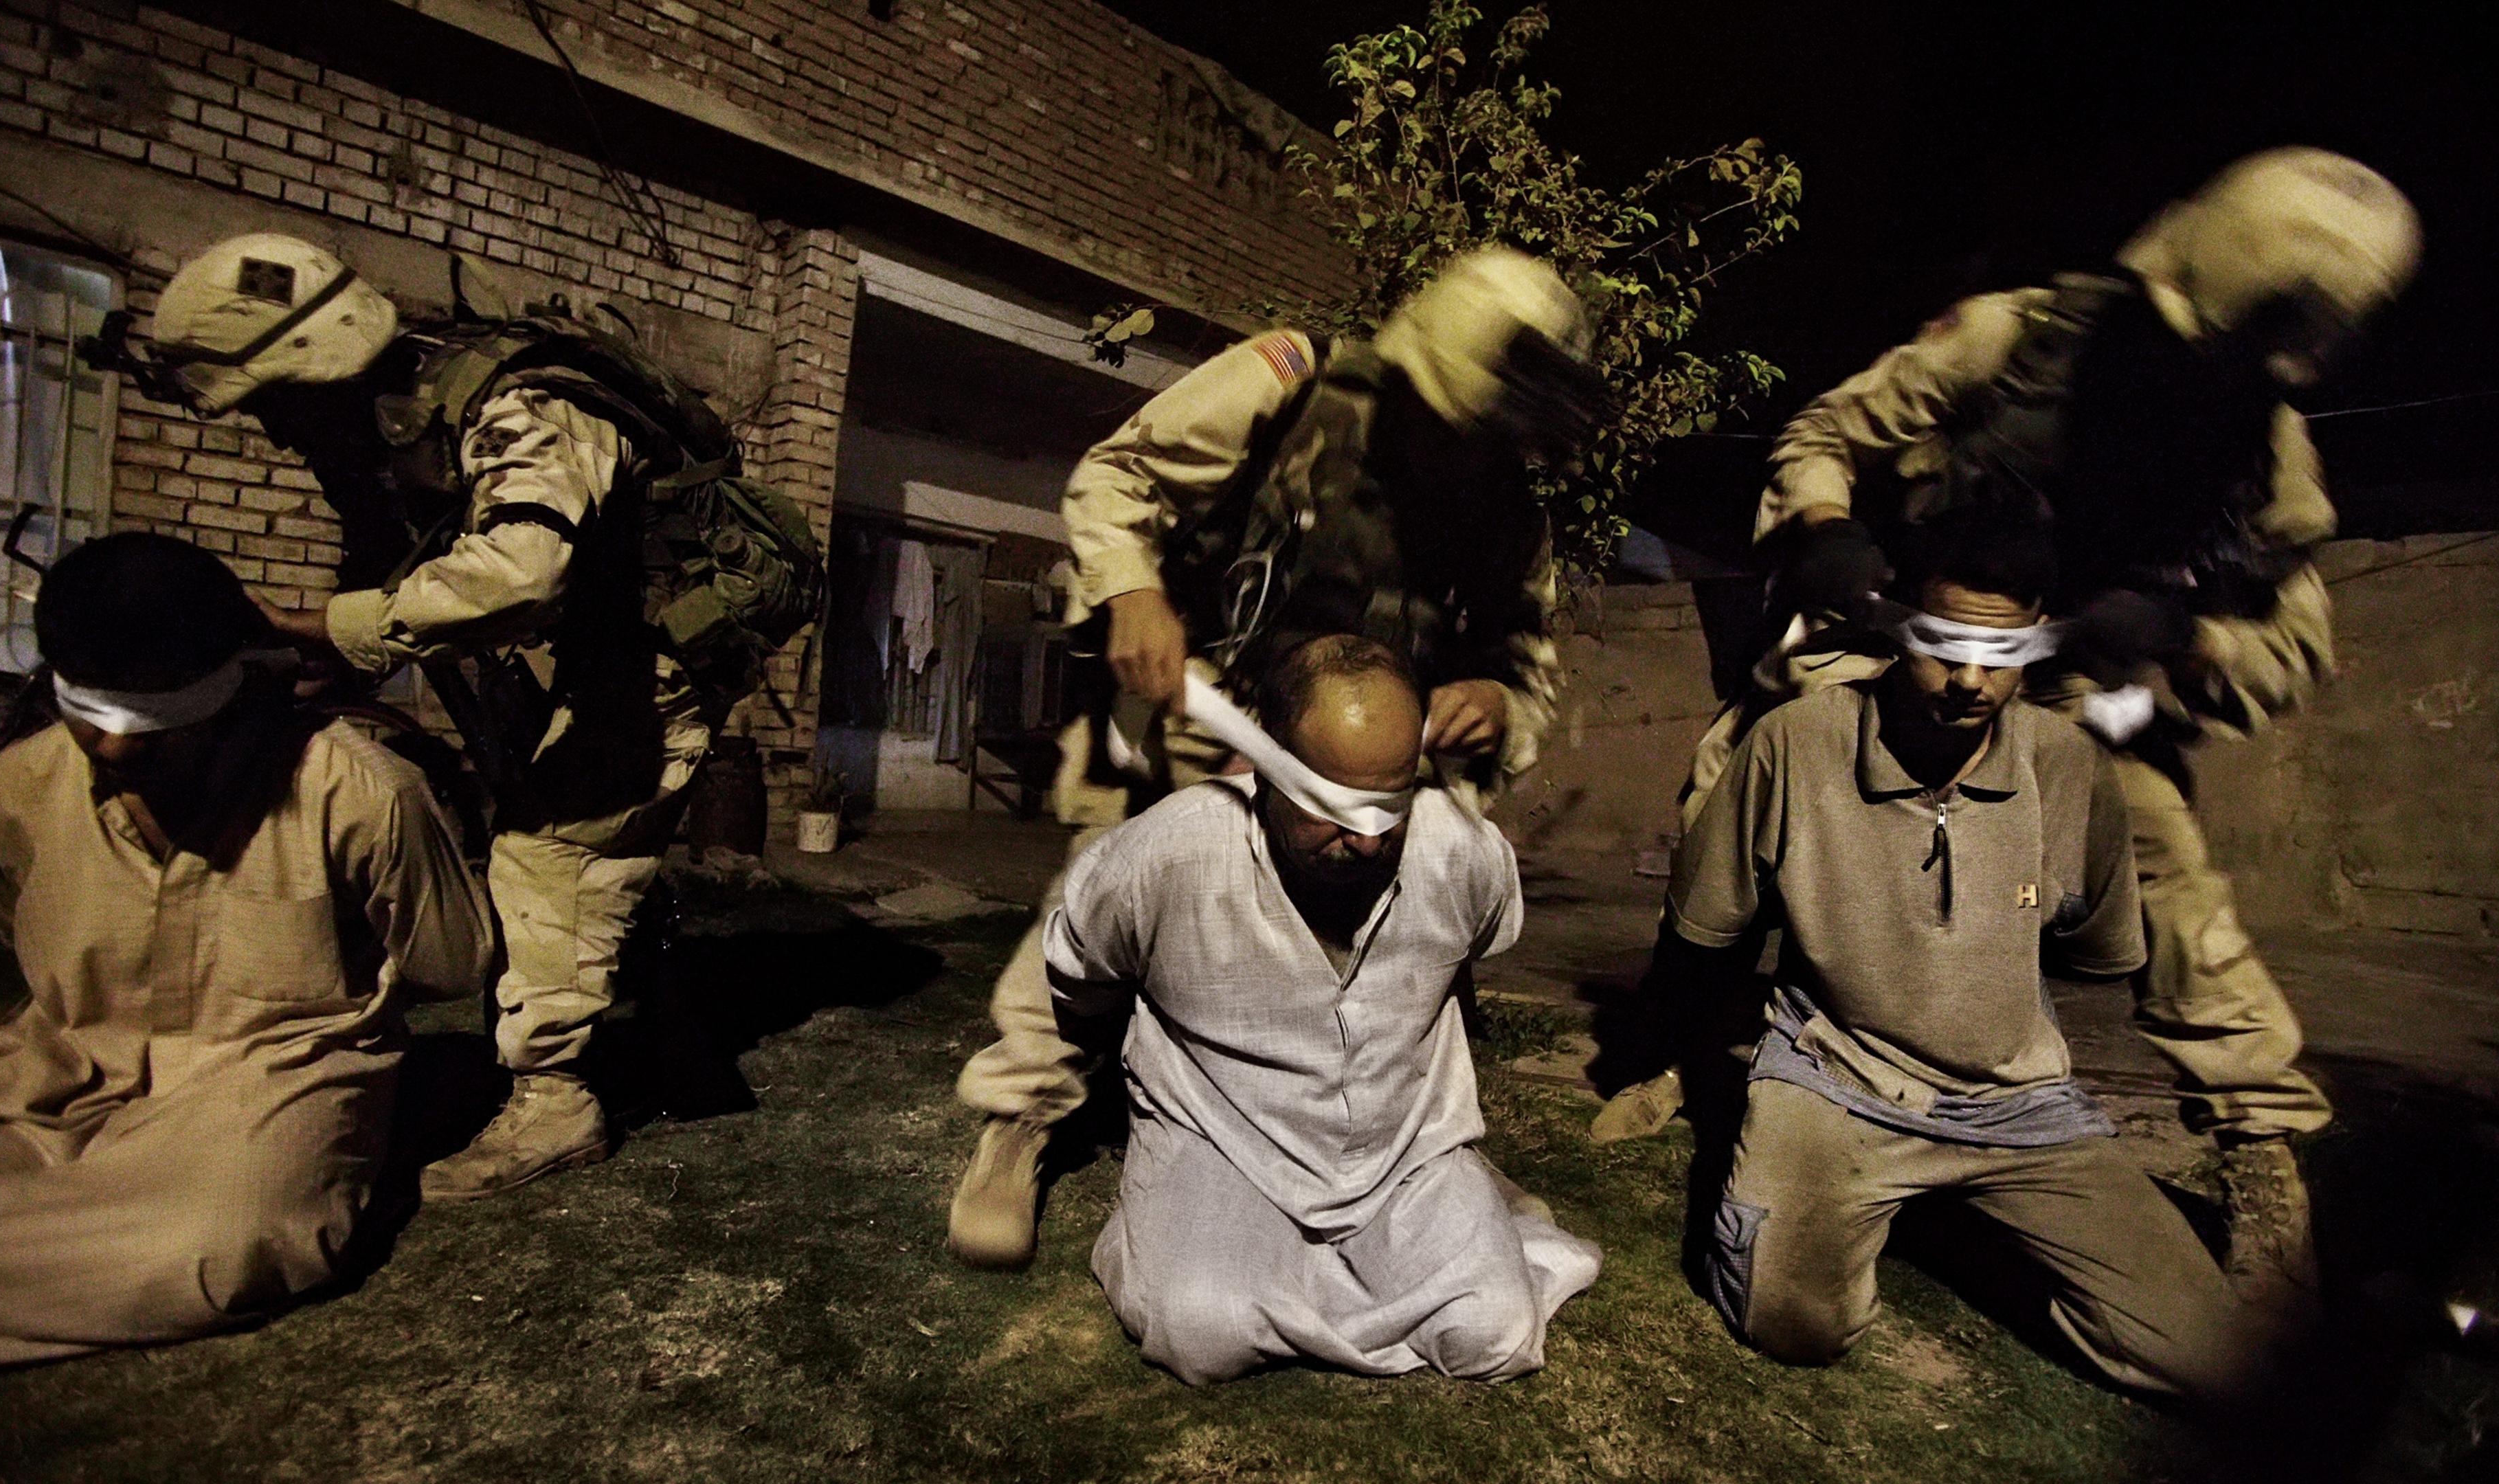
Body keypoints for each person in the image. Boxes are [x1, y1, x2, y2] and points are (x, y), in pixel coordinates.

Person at [1686, 148, 2421, 1287]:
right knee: (1748, 764)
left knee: (2166, 868)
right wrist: (1826, 526)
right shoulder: (2006, 340)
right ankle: (1682, 1042)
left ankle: (2262, 1160)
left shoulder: (2268, 452)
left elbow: (2295, 639)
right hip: (1919, 637)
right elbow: (1824, 435)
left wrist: (2188, 639)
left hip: (2081, 691)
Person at [948, 246, 1600, 1268]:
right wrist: (1132, 589)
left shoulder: (1507, 505)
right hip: (1205, 710)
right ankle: (1021, 1121)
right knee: (1108, 896)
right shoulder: (1291, 383)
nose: (1467, 451)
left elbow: (1528, 656)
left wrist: (1497, 702)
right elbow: (1119, 475)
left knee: (1424, 924)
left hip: (1369, 758)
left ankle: (1437, 1153)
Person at [137, 234, 732, 1200]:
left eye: (268, 404)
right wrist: (312, 671)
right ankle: (606, 982)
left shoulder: (524, 407)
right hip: (583, 647)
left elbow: (521, 576)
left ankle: (556, 1098)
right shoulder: (382, 428)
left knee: (553, 849)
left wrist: (312, 627)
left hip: (657, 647)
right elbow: (384, 571)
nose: (274, 436)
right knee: (542, 838)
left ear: (309, 368)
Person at [1663, 517, 2260, 1404]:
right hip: (1840, 1084)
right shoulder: (1796, 743)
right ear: (1900, 626)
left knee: (2214, 1358)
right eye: (1944, 646)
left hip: (2016, 1105)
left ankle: (1955, 1222)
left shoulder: (2068, 766)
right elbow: (1704, 934)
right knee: (1790, 1322)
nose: (1971, 681)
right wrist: (1718, 1087)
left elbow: (2095, 949)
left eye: (2003, 651)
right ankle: (1873, 1207)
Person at [0, 534, 492, 1369]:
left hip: (261, 1098)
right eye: (89, 715)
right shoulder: (10, 796)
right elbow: (16, 922)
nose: (111, 748)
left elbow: (451, 961)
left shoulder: (357, 792)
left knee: (211, 1249)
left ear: (223, 687)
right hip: (51, 1089)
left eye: (150, 726)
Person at [1051, 635, 1600, 1384]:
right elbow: (1082, 974)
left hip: (1404, 1154)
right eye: (1333, 806)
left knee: (1495, 1335)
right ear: (1264, 766)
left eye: (1389, 803)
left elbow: (1477, 940)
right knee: (1200, 1329)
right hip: (1223, 1144)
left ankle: (1440, 1223)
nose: (1366, 839)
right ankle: (1250, 1250)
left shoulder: (1462, 853)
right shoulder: (1167, 857)